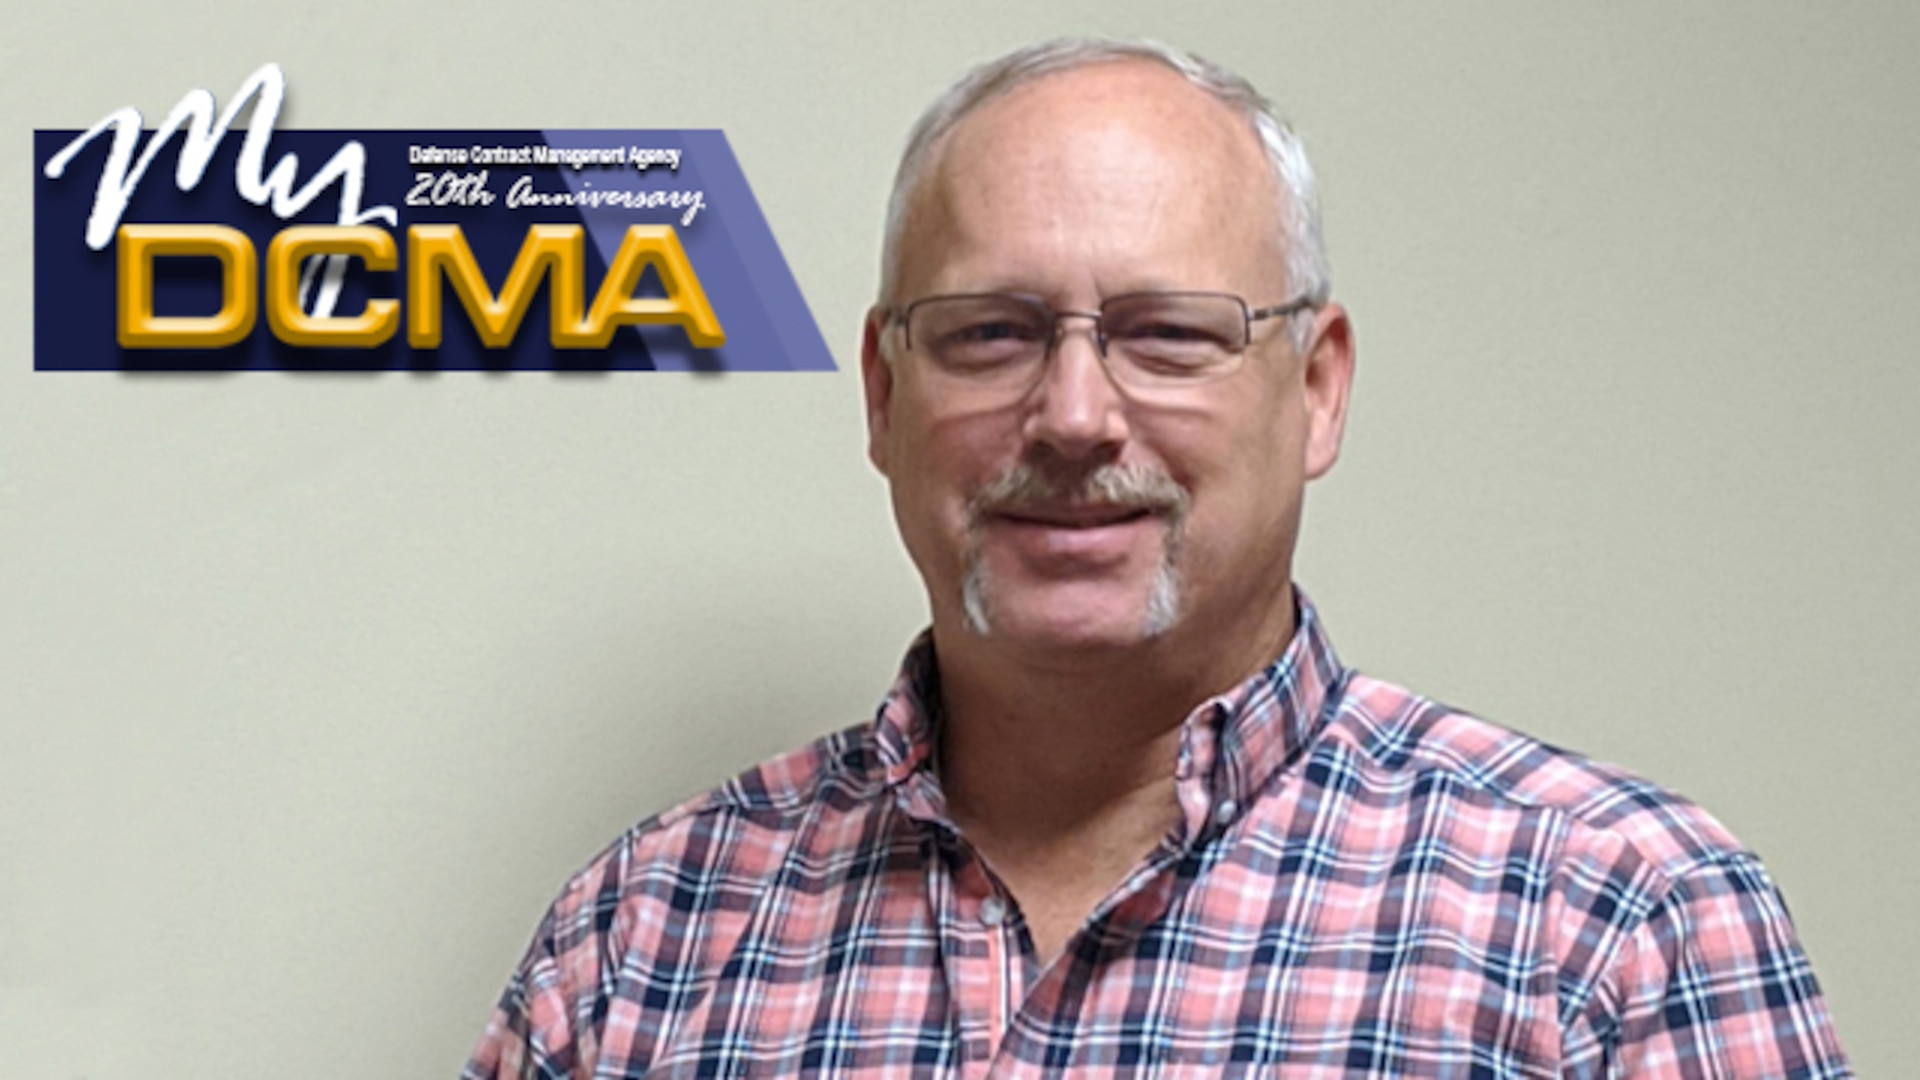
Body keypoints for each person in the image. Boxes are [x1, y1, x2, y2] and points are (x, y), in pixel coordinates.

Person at [463, 38, 1850, 1077]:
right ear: (884, 401)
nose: (1073, 416)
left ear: (1315, 389)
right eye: (990, 333)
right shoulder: (644, 932)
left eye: (1168, 333)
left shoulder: (1612, 924)